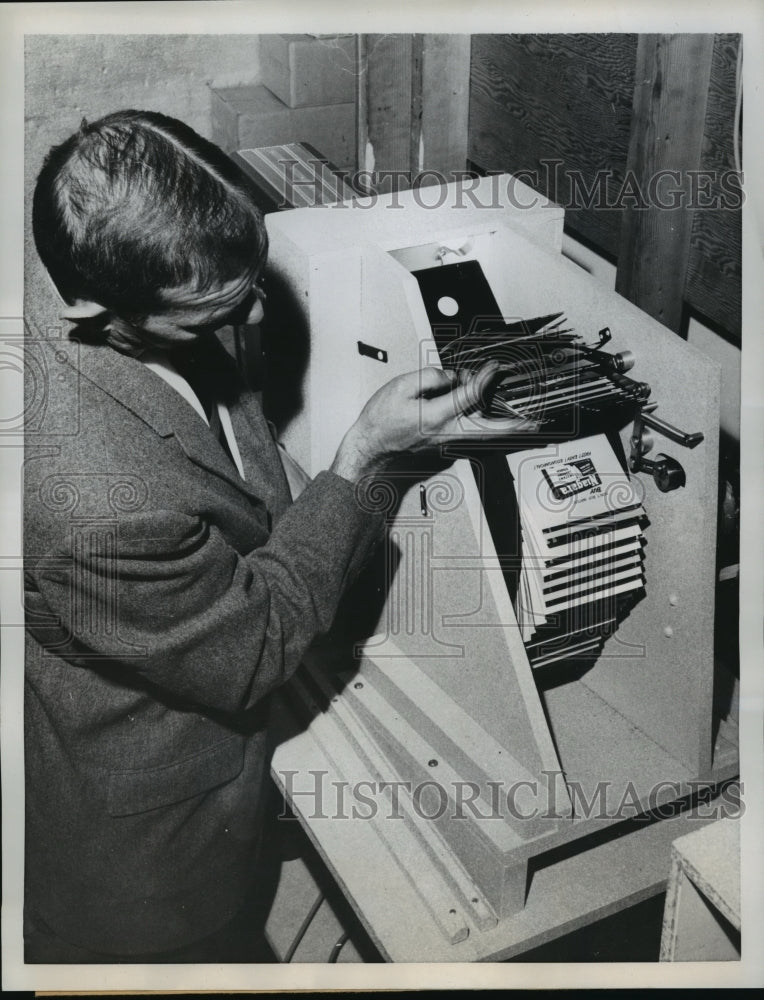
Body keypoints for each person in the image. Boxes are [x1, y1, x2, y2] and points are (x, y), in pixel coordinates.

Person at [24, 109, 532, 963]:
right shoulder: (92, 503)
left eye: (251, 283)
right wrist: (368, 457)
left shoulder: (154, 291)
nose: (257, 315)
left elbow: (232, 476)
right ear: (87, 303)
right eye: (215, 312)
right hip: (151, 857)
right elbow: (250, 649)